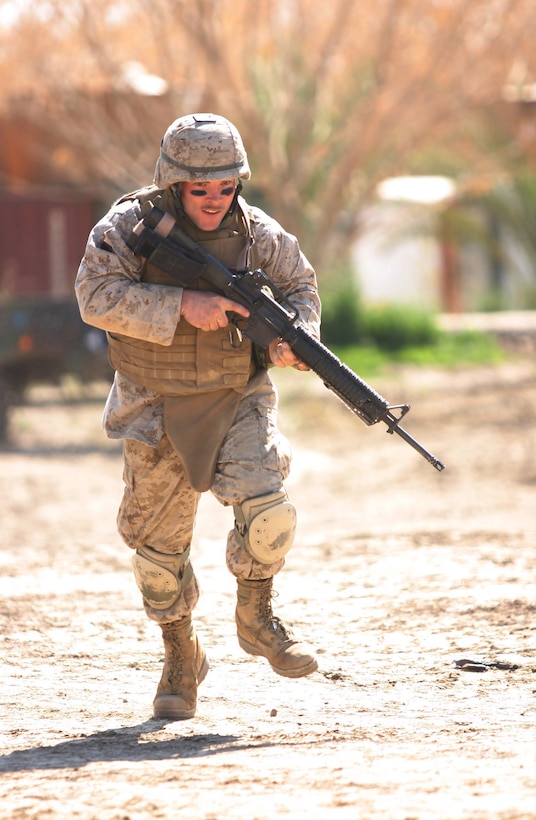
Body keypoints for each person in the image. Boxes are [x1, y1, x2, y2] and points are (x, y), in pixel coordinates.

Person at [75, 113, 321, 720]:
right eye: (199, 189)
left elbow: (302, 291)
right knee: (157, 559)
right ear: (171, 184)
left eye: (226, 187)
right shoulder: (127, 229)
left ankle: (257, 616)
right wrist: (182, 304)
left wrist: (298, 339)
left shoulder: (258, 233)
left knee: (268, 511)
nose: (215, 201)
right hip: (152, 403)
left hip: (236, 395)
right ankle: (181, 656)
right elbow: (93, 297)